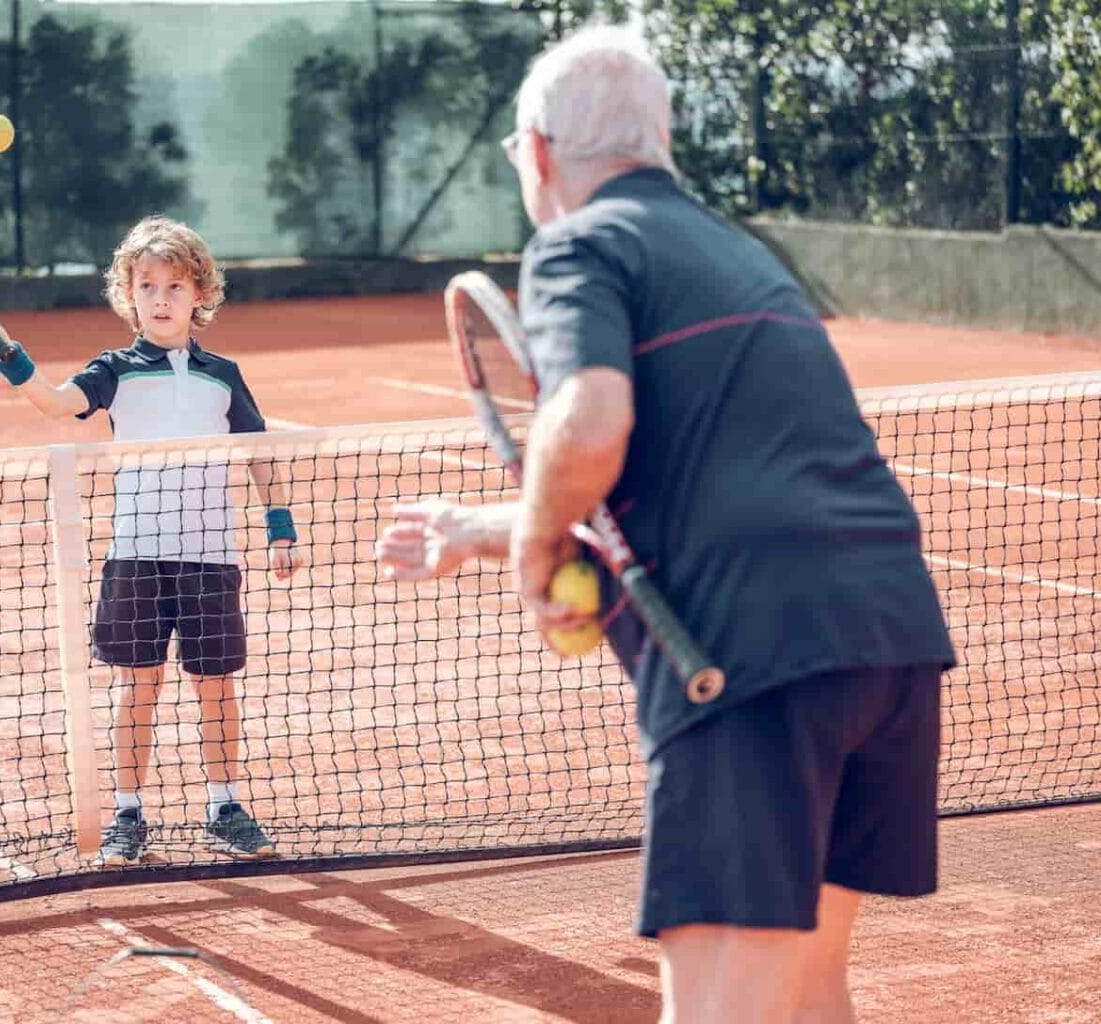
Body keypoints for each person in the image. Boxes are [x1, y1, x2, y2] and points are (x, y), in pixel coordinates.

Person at [377, 26, 954, 1024]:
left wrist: (534, 555)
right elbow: (712, 474)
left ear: (541, 149)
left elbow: (592, 421)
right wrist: (485, 525)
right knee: (811, 991)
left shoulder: (577, 242)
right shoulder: (740, 253)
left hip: (746, 662)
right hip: (887, 643)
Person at [0, 215, 299, 865]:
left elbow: (259, 452)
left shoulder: (222, 375)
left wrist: (278, 527)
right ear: (129, 295)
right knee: (137, 686)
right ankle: (127, 812)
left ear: (200, 294)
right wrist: (8, 353)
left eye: (175, 285)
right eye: (147, 285)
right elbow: (58, 404)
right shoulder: (115, 370)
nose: (162, 298)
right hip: (136, 558)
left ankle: (224, 804)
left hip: (210, 557)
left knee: (216, 688)